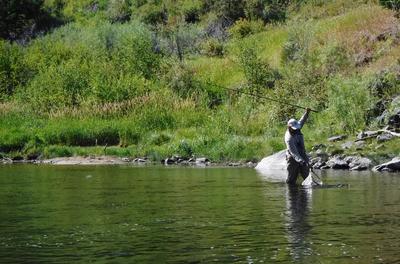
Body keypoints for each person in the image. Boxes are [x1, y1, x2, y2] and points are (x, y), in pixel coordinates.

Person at [284, 108, 311, 185]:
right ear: (289, 128)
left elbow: (302, 121)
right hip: (292, 158)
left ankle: (306, 191)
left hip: (301, 153)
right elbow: (294, 153)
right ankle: (291, 192)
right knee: (291, 179)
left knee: (306, 174)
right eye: (294, 129)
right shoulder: (288, 139)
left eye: (297, 128)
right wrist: (302, 161)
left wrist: (307, 112)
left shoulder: (297, 128)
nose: (296, 130)